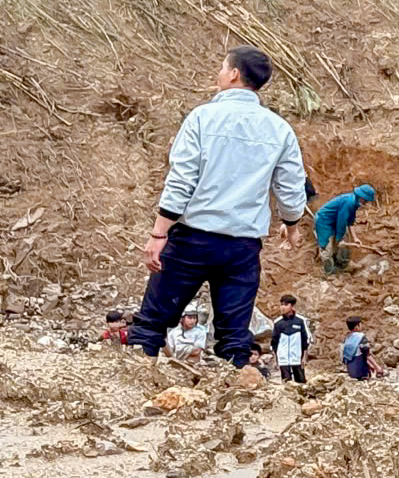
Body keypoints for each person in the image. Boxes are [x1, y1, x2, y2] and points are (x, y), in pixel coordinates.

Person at [128, 46, 306, 369]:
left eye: (223, 68)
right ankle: (236, 396)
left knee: (151, 322)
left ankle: (133, 381)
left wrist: (158, 233)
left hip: (191, 241)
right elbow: (291, 187)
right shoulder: (280, 130)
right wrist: (291, 225)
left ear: (235, 74)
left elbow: (181, 180)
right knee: (235, 336)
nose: (219, 74)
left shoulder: (202, 118)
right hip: (241, 248)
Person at [314, 185, 377, 276]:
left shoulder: (354, 203)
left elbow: (350, 222)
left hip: (334, 220)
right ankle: (328, 271)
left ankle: (342, 264)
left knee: (343, 239)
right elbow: (341, 223)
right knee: (327, 246)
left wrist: (355, 238)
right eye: (366, 201)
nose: (367, 203)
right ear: (362, 198)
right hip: (324, 221)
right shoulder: (348, 203)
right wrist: (339, 239)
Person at [271, 294, 310, 384]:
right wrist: (275, 359)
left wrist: (304, 357)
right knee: (287, 385)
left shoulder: (300, 321)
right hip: (283, 360)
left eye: (285, 304)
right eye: (281, 305)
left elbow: (305, 339)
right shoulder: (278, 323)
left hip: (297, 358)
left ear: (292, 306)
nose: (282, 307)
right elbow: (274, 342)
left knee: (301, 383)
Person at [342, 316, 385, 380]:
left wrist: (370, 365)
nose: (362, 326)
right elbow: (367, 355)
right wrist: (377, 367)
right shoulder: (361, 337)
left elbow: (353, 355)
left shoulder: (347, 338)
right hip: (361, 372)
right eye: (360, 324)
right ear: (357, 327)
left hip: (351, 373)